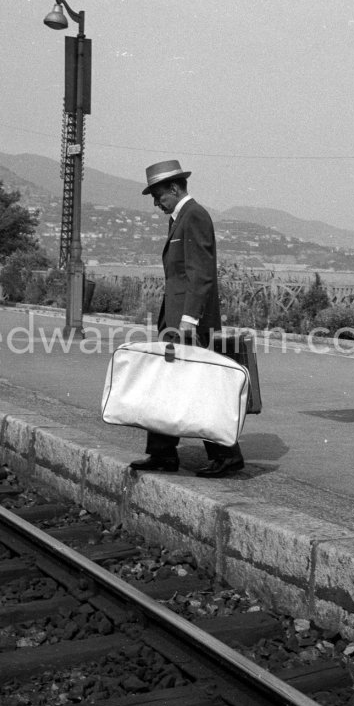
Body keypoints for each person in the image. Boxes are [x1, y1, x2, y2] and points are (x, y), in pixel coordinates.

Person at [129, 159, 245, 478]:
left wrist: (189, 321)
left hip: (190, 323)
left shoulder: (194, 216)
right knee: (168, 386)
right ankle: (163, 454)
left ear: (176, 188)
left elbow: (201, 274)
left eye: (158, 195)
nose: (155, 203)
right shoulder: (180, 219)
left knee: (202, 386)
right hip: (177, 321)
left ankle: (227, 456)